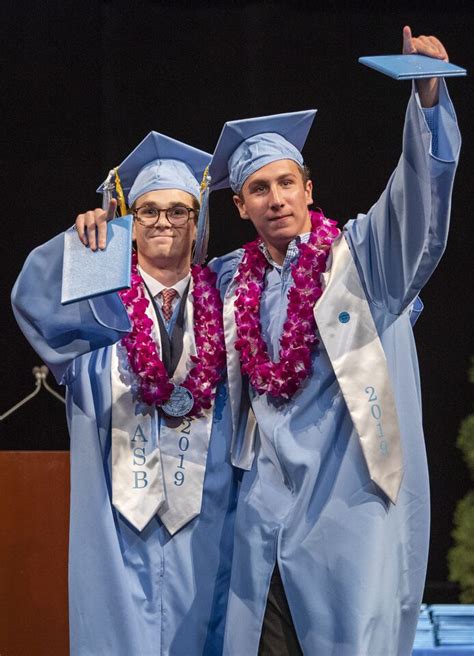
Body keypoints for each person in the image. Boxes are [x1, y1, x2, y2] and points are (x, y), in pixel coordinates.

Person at [208, 26, 461, 655]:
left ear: (308, 189)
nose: (276, 199)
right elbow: (162, 298)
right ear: (241, 205)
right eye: (259, 189)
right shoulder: (228, 283)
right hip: (262, 513)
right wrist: (107, 231)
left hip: (347, 508)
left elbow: (415, 210)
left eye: (286, 183)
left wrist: (427, 97)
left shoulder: (359, 262)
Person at [11, 133, 238, 656]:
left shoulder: (226, 301)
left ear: (198, 221)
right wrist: (81, 245)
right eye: (148, 210)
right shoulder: (97, 309)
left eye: (178, 211)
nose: (163, 221)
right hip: (116, 533)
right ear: (129, 223)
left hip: (206, 530)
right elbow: (31, 300)